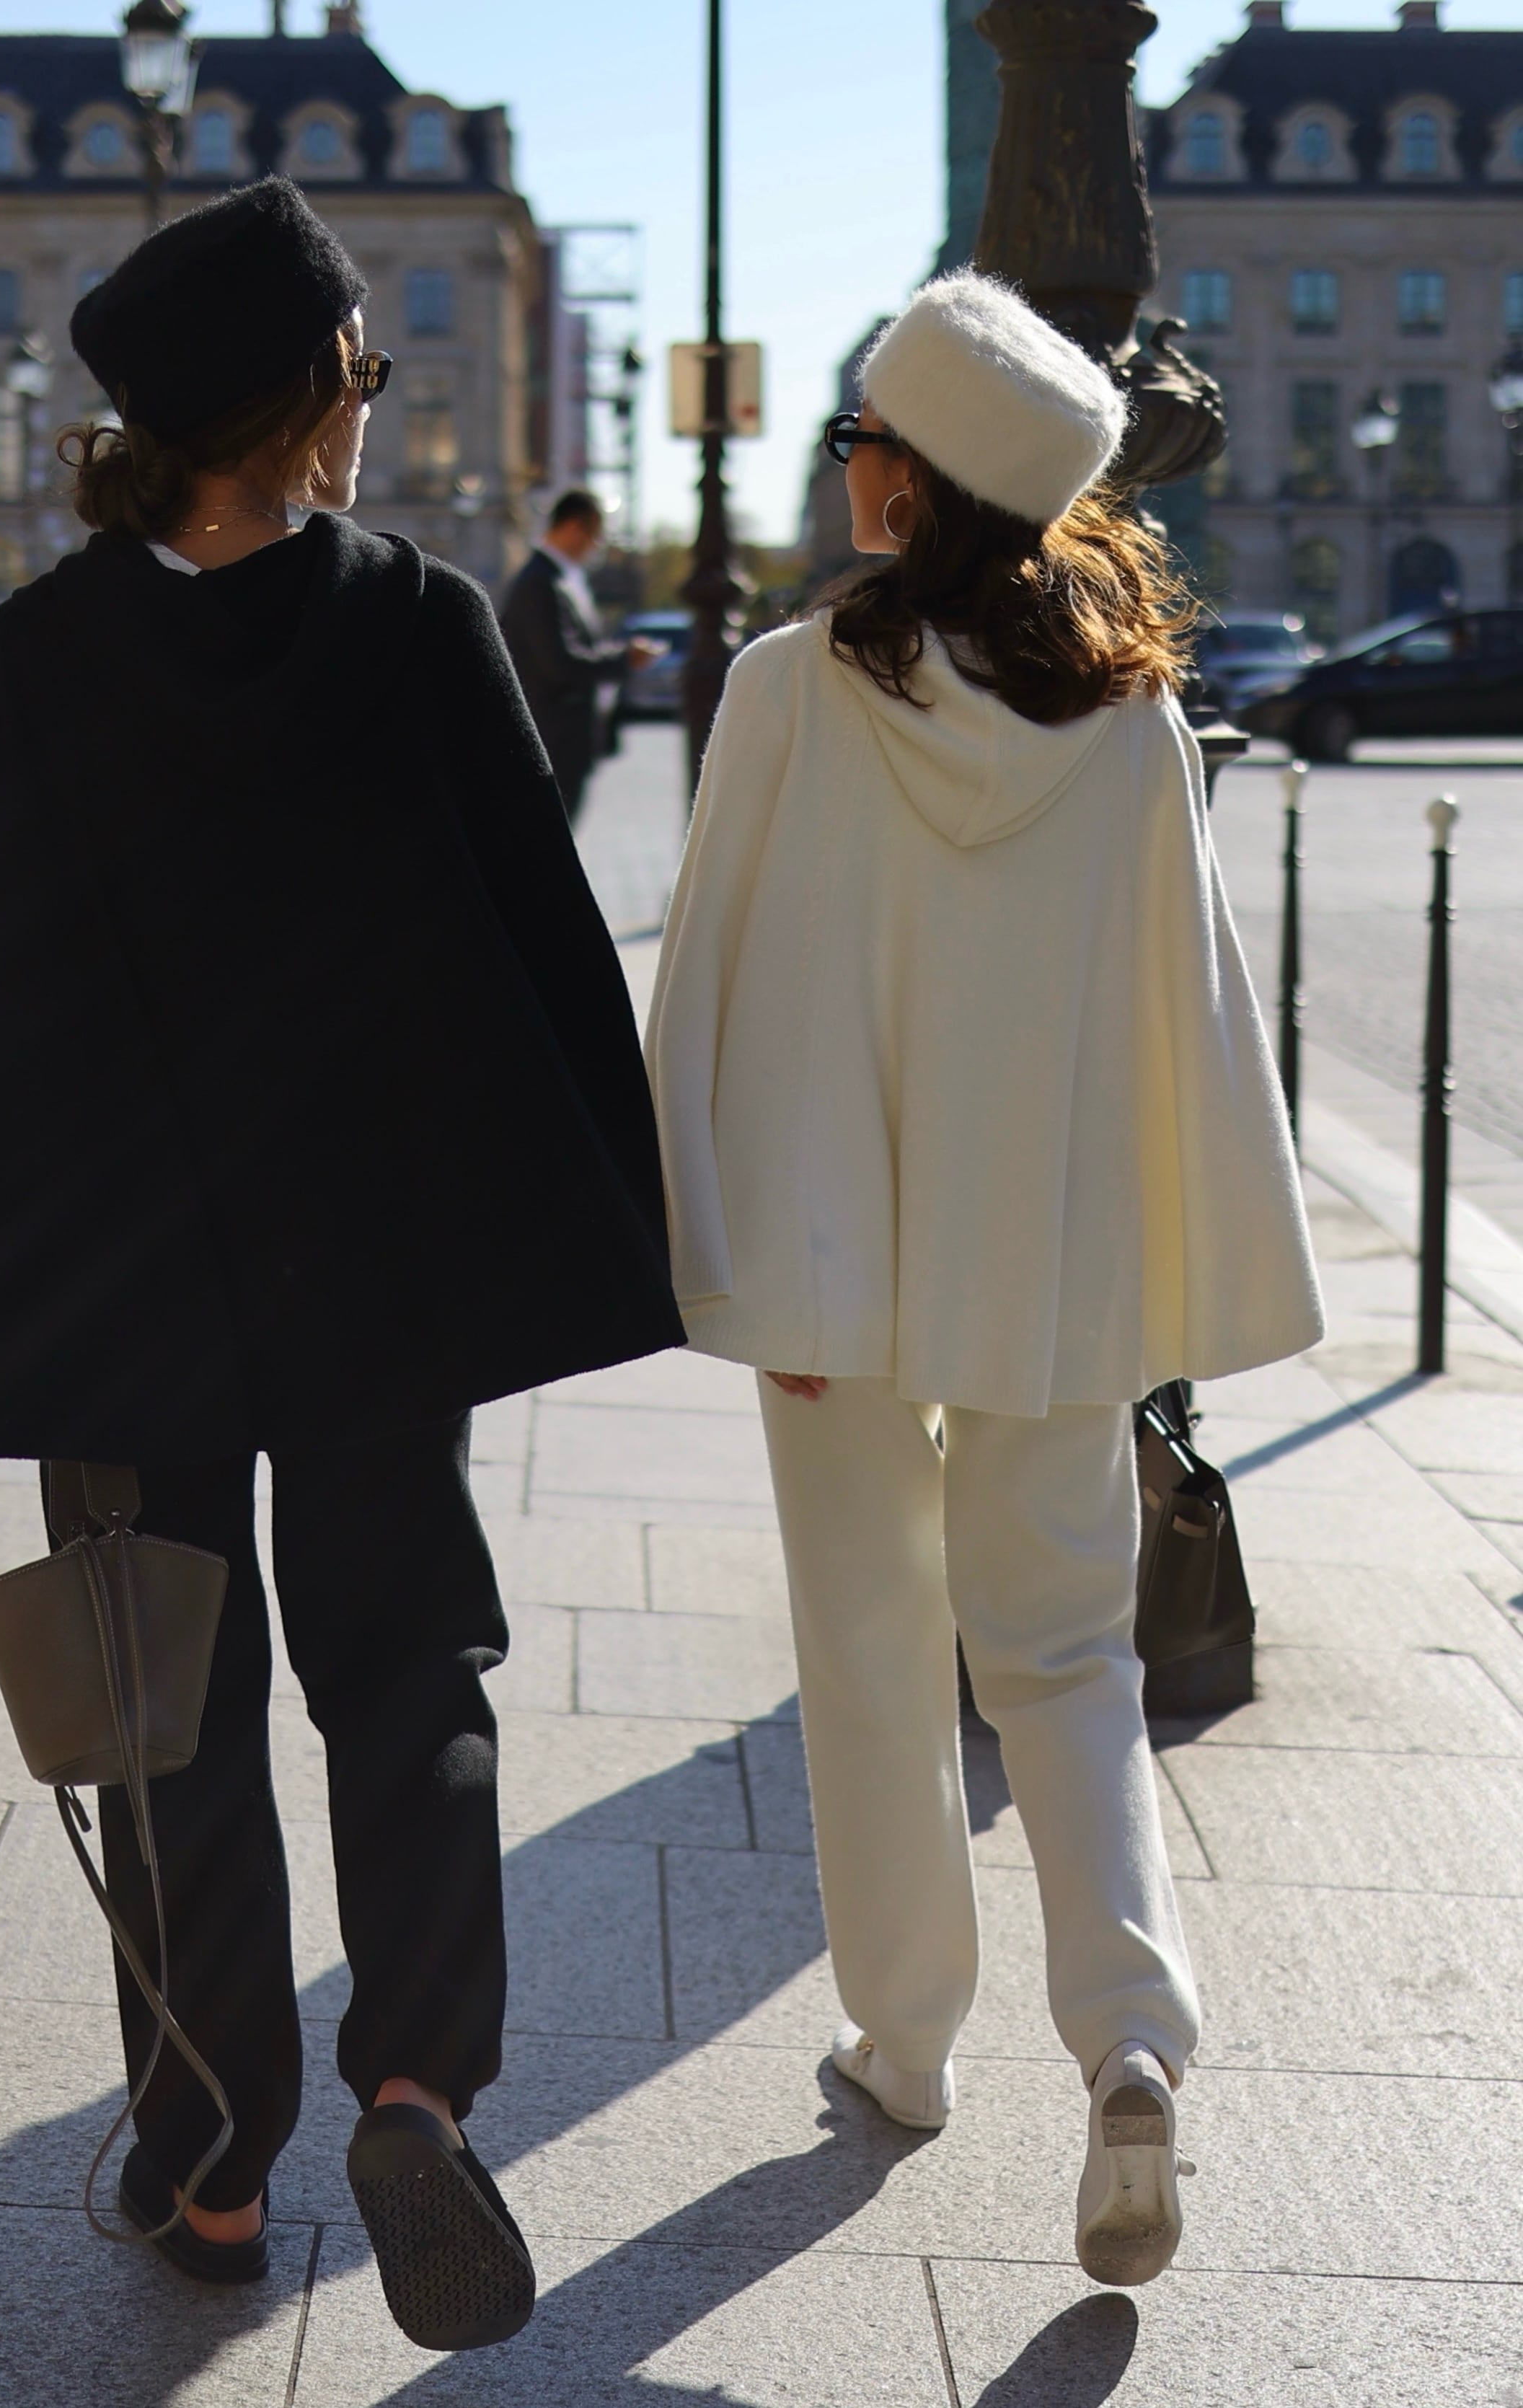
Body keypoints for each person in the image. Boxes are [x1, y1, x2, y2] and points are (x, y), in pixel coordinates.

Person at [0, 179, 684, 2346]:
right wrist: (590, 1225)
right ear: (307, 395)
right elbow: (536, 949)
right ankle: (417, 2084)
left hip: (123, 1286)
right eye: (360, 371)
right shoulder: (413, 616)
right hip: (377, 1283)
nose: (371, 407)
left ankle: (213, 2160)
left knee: (167, 1713)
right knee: (407, 1676)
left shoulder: (46, 649)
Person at [645, 272, 1323, 2289]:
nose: (842, 461)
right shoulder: (1129, 725)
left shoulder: (792, 688)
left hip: (831, 1266)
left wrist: (712, 1245)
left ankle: (906, 2043)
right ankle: (1129, 2044)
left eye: (861, 434)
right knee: (1065, 1654)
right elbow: (1186, 1021)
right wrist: (1167, 1271)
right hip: (1047, 1262)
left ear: (916, 480)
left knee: (871, 1647)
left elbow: (714, 979)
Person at [499, 490, 658, 823]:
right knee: (548, 839)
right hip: (550, 741)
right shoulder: (540, 582)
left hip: (561, 741)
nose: (596, 546)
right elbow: (560, 665)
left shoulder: (558, 578)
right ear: (573, 528)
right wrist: (625, 660)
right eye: (595, 535)